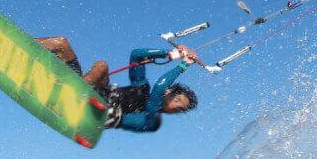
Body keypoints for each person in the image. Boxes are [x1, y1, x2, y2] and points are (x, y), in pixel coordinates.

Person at [34, 36, 198, 132]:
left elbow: (158, 88)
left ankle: (69, 97)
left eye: (179, 108)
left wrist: (183, 65)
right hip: (86, 92)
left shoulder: (152, 119)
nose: (175, 107)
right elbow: (136, 56)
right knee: (64, 45)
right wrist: (169, 54)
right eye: (177, 101)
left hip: (93, 115)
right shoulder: (141, 88)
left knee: (99, 74)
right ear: (169, 92)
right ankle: (17, 41)